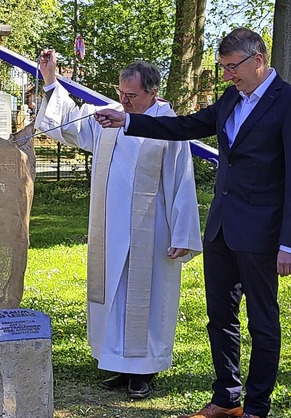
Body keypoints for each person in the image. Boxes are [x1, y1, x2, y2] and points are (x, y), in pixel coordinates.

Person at [96, 27, 291, 418]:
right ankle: (227, 397)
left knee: (262, 324)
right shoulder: (232, 98)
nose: (227, 75)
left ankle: (256, 407)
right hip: (221, 230)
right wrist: (127, 121)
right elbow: (185, 127)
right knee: (220, 319)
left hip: (263, 233)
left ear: (258, 60)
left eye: (232, 68)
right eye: (224, 68)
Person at [35, 51, 202, 399]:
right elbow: (71, 123)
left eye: (131, 96)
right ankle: (119, 364)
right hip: (110, 229)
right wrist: (51, 80)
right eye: (121, 93)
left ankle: (144, 370)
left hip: (152, 231)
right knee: (114, 294)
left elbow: (181, 183)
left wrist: (183, 233)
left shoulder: (168, 124)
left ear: (152, 93)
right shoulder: (113, 116)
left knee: (147, 299)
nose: (123, 101)